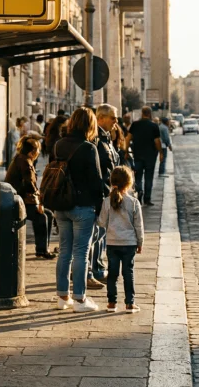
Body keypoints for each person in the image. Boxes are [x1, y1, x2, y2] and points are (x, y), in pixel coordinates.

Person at [52, 107, 105, 312]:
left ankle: (62, 297)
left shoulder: (58, 145)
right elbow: (97, 182)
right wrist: (100, 208)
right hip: (82, 206)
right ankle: (80, 299)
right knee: (81, 253)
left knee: (64, 251)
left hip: (61, 205)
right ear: (90, 125)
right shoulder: (88, 148)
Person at [97, 166, 144, 313]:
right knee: (128, 273)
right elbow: (139, 226)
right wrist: (140, 242)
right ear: (129, 183)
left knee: (112, 273)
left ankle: (112, 303)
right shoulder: (134, 202)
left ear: (111, 182)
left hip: (112, 242)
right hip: (129, 243)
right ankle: (130, 303)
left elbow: (101, 222)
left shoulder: (106, 202)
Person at [87, 104, 121, 288]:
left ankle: (98, 268)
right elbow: (99, 170)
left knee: (101, 234)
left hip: (107, 192)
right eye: (113, 118)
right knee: (95, 235)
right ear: (100, 118)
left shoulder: (106, 137)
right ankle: (92, 270)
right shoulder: (97, 139)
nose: (116, 121)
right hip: (101, 193)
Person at [6, 135, 55, 259]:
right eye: (38, 150)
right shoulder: (25, 162)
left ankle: (43, 247)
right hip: (19, 201)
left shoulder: (20, 159)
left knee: (47, 215)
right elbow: (29, 185)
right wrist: (38, 199)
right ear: (32, 152)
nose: (39, 153)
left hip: (20, 198)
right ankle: (42, 250)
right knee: (42, 217)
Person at [129, 106, 163, 207]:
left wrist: (126, 151)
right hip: (150, 156)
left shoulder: (135, 124)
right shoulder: (154, 126)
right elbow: (157, 141)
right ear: (150, 114)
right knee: (149, 178)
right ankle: (147, 199)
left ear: (142, 113)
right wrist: (161, 152)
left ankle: (139, 194)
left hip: (138, 155)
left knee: (138, 177)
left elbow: (128, 138)